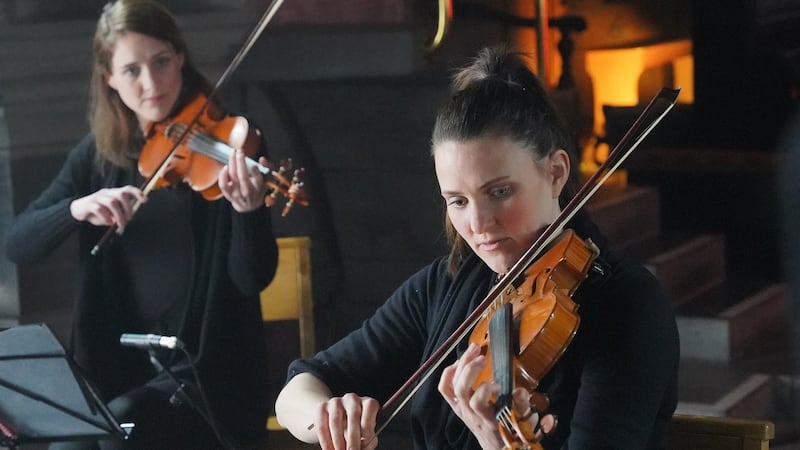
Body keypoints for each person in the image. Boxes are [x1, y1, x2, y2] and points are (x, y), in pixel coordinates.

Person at [275, 45, 679, 450]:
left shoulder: (626, 306)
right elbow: (301, 385)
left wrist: (497, 443)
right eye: (458, 200)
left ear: (556, 173)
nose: (479, 224)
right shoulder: (446, 285)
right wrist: (326, 418)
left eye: (500, 192)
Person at [4, 1, 279, 449]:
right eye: (132, 70)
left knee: (123, 431)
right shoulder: (98, 159)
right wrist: (76, 209)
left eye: (161, 62)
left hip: (204, 378)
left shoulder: (226, 146)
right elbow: (19, 244)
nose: (151, 84)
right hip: (115, 370)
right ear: (108, 78)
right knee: (66, 445)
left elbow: (252, 279)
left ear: (180, 58)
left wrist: (248, 212)